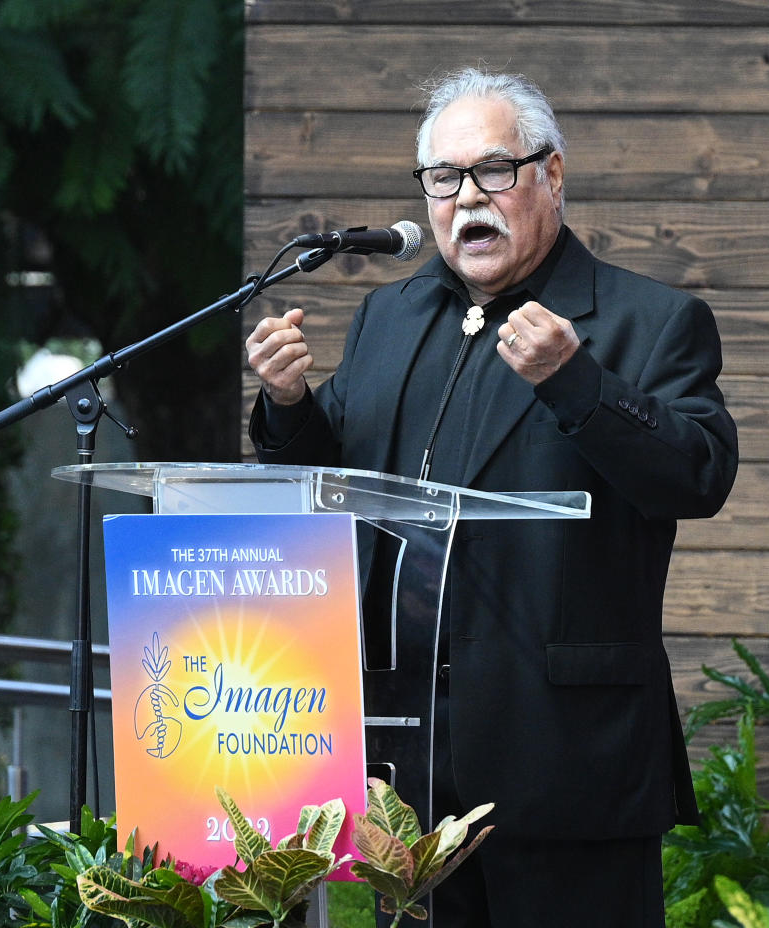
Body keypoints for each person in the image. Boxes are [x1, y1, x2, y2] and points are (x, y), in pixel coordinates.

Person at [245, 67, 738, 928]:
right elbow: (341, 469)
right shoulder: (388, 318)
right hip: (395, 764)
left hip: (562, 761)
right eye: (444, 178)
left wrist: (577, 383)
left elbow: (698, 474)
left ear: (551, 176)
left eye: (493, 172)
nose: (467, 198)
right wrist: (288, 409)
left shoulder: (648, 320)